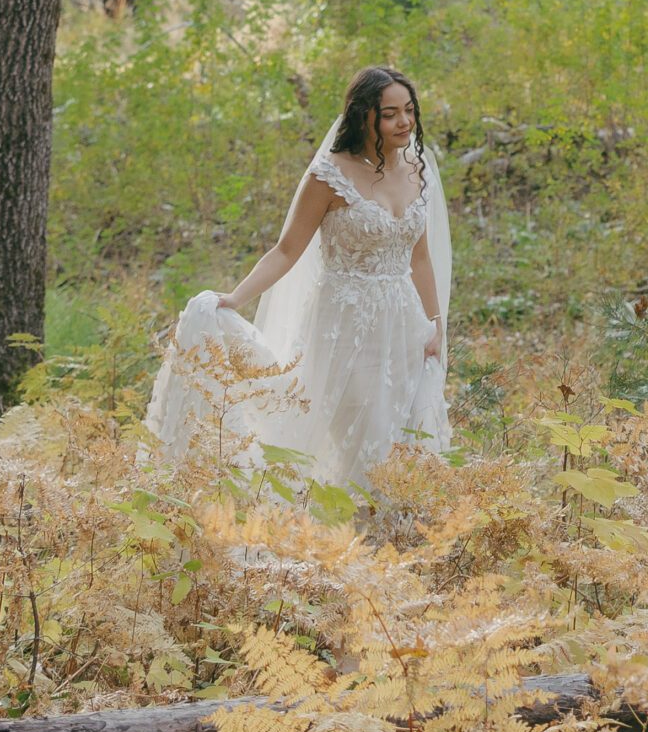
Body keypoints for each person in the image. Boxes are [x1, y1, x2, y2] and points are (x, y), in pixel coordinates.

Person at [145, 65, 450, 489]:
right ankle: (346, 531)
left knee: (401, 431)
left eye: (409, 111)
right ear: (365, 116)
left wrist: (435, 324)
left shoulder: (418, 170)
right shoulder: (330, 176)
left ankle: (386, 538)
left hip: (404, 324)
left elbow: (419, 259)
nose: (404, 122)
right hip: (346, 324)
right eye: (390, 114)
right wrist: (235, 297)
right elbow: (287, 250)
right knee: (364, 430)